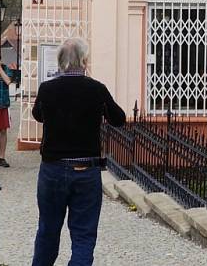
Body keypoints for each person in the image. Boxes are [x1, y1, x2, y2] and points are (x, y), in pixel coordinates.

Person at [32, 37, 126, 266]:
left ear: (60, 62)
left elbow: (38, 115)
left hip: (53, 168)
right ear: (84, 61)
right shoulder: (96, 90)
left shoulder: (47, 89)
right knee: (84, 235)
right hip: (86, 170)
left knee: (48, 229)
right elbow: (119, 119)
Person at [0, 46, 14, 167]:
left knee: (3, 130)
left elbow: (8, 81)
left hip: (3, 103)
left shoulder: (5, 68)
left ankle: (2, 157)